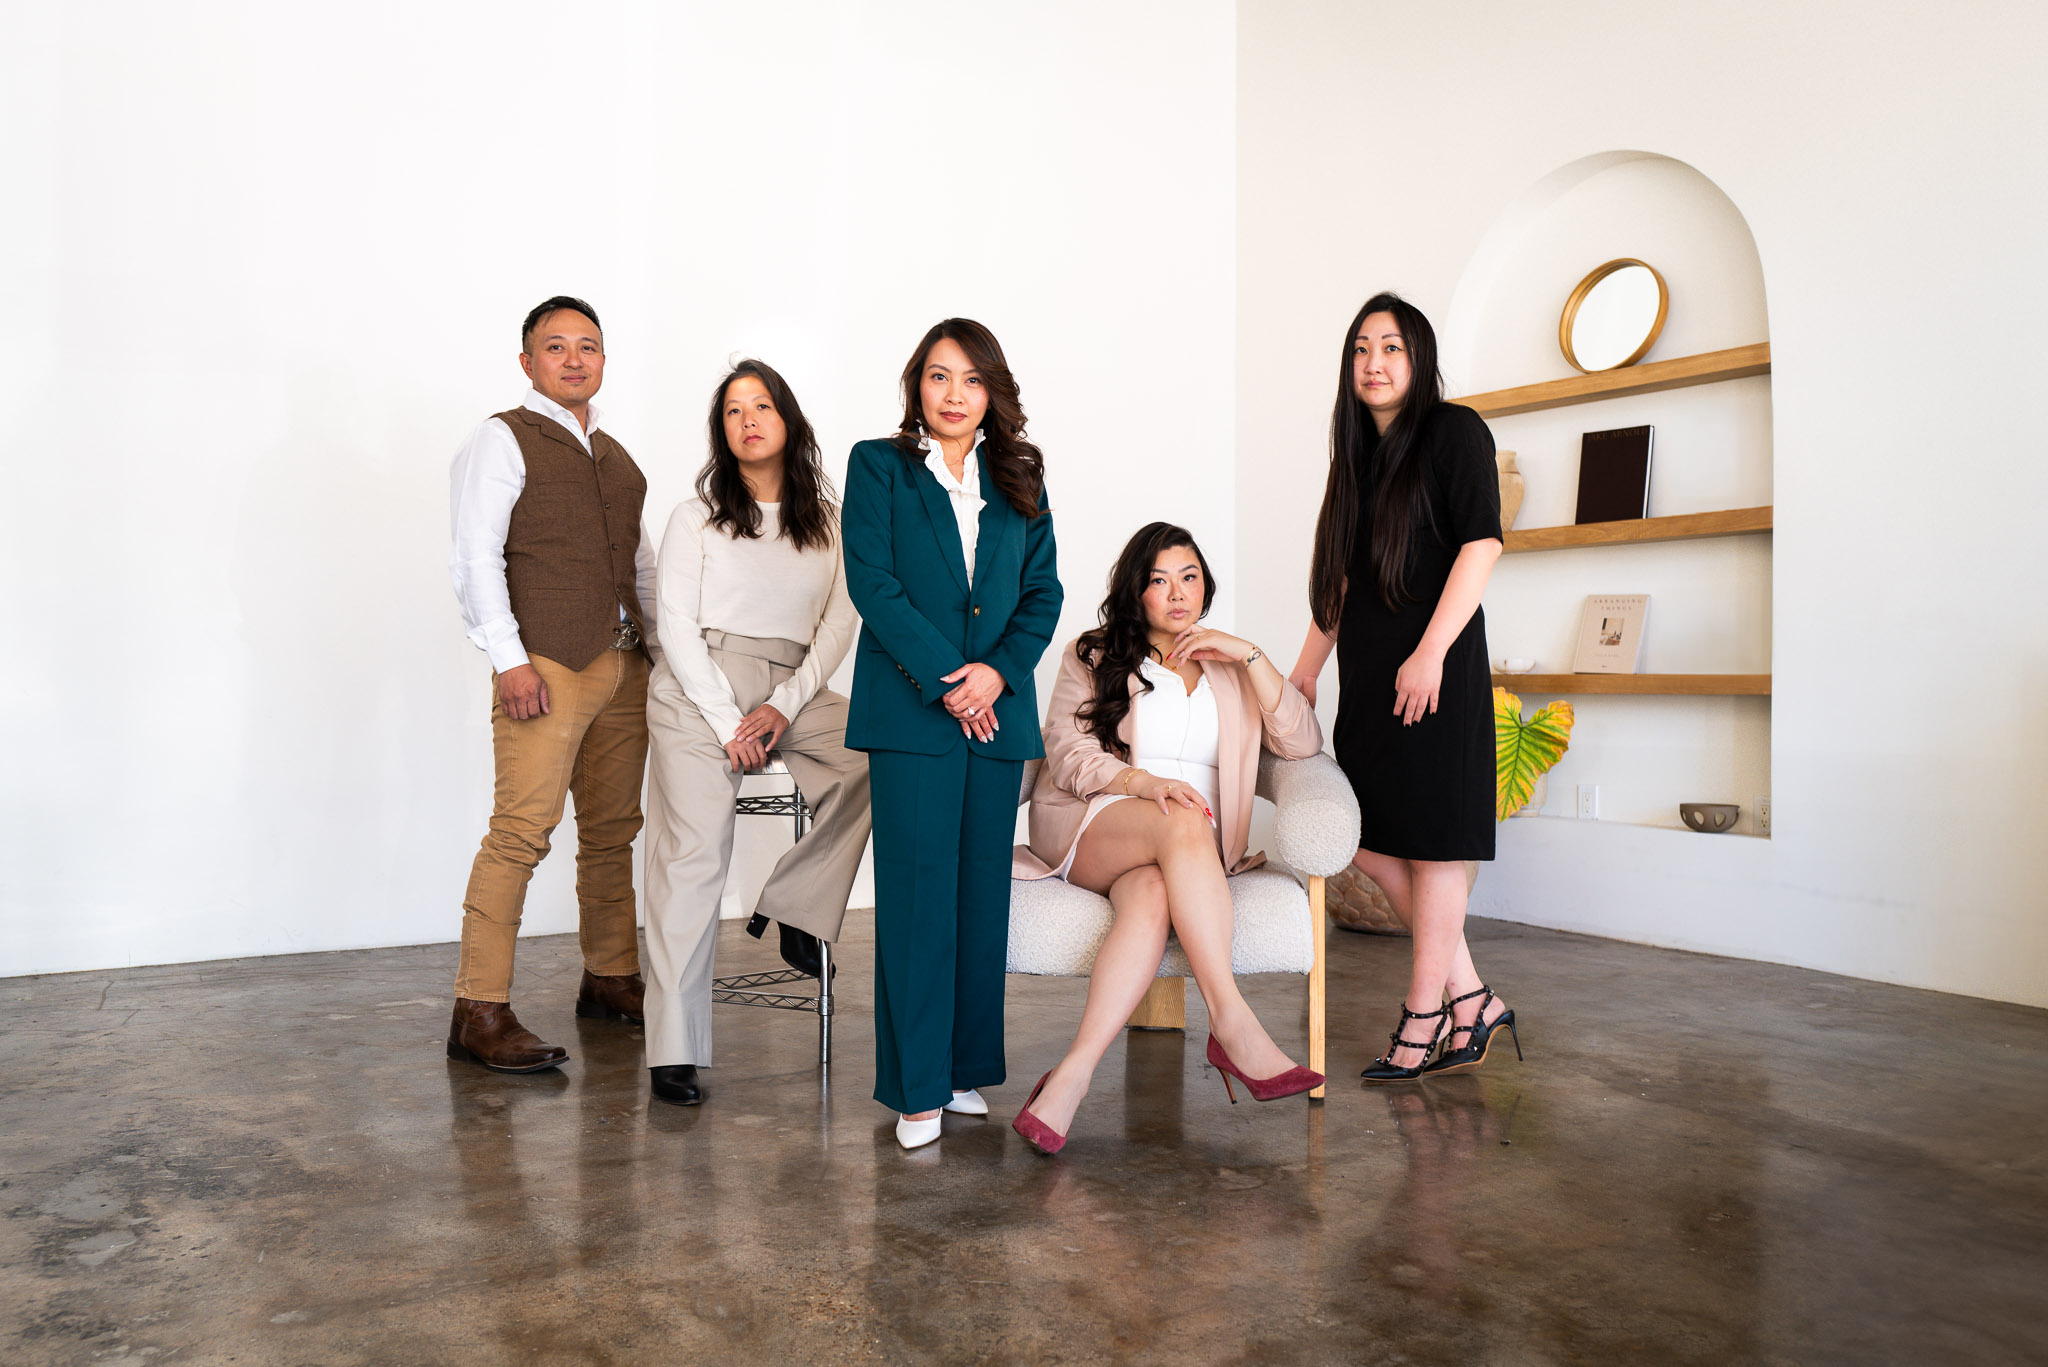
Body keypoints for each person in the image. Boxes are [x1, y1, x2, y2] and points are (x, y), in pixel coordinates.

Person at [1010, 524, 1327, 1153]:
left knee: (1153, 892)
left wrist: (1251, 655)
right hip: (1098, 820)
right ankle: (1232, 1023)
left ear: (1205, 586)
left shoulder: (1230, 670)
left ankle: (1069, 1079)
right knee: (1186, 815)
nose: (1176, 593)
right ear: (1137, 591)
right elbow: (1066, 754)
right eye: (1158, 580)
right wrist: (1141, 782)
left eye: (1189, 577)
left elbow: (1302, 742)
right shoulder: (1093, 654)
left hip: (1184, 854)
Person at [841, 318, 1063, 1151]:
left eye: (971, 380)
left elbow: (1042, 593)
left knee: (978, 900)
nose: (954, 394)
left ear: (993, 392)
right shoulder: (879, 466)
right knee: (916, 902)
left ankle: (964, 1069)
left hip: (996, 717)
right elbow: (876, 586)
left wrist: (997, 674)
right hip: (913, 719)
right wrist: (953, 681)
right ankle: (918, 1087)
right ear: (916, 385)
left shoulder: (1022, 476)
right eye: (939, 377)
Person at [1289, 292, 1518, 1082]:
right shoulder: (1354, 457)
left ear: (1416, 358)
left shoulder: (1455, 431)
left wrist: (1429, 653)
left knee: (1436, 849)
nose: (1374, 363)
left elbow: (1481, 546)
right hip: (1370, 686)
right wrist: (1307, 667)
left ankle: (1425, 1018)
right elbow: (1343, 583)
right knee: (1369, 838)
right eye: (1360, 350)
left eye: (1389, 347)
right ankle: (1474, 999)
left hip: (1435, 673)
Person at [640, 360, 871, 1107]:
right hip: (697, 682)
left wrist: (782, 704)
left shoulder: (831, 523)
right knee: (695, 851)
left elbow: (841, 622)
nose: (747, 419)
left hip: (792, 685)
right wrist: (725, 719)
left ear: (789, 418)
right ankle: (673, 1048)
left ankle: (796, 906)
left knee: (879, 756)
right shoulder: (694, 516)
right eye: (733, 409)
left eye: (761, 404)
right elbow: (673, 625)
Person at [445, 295, 659, 1072]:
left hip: (625, 665)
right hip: (545, 667)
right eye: (557, 346)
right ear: (528, 360)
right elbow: (475, 554)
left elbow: (638, 564)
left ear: (603, 361)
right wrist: (508, 657)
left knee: (612, 834)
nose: (575, 358)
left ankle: (609, 976)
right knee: (520, 833)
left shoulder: (618, 456)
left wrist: (660, 650)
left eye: (589, 346)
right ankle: (480, 1006)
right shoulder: (503, 439)